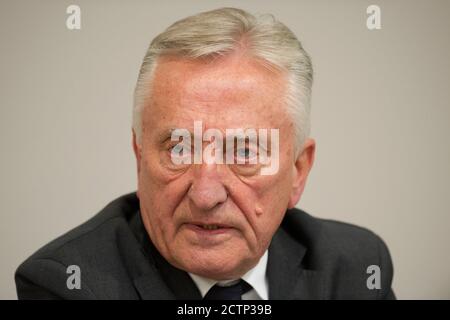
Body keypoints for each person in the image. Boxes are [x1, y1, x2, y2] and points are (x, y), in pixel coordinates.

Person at [15, 7, 395, 300]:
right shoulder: (68, 284)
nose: (205, 194)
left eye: (245, 152)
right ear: (139, 156)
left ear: (298, 171)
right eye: (179, 149)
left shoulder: (356, 267)